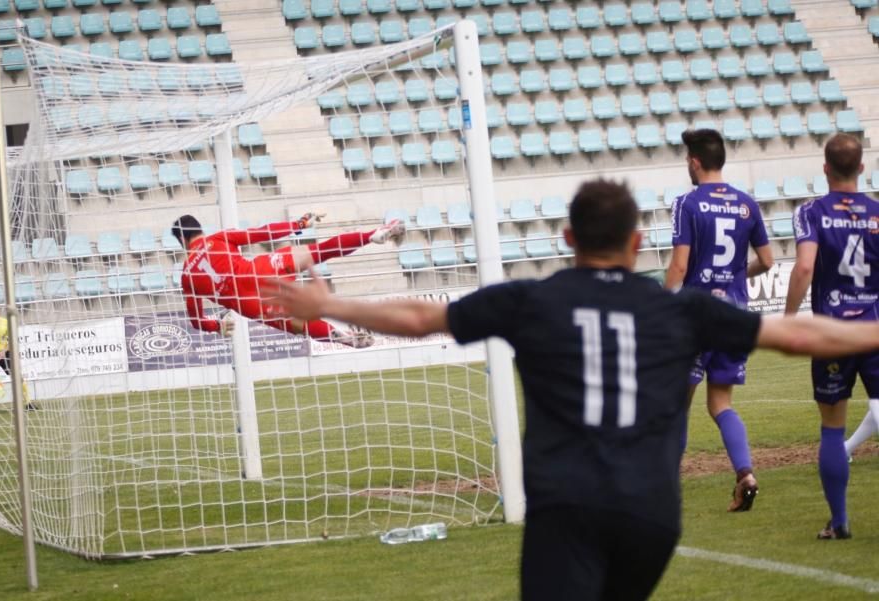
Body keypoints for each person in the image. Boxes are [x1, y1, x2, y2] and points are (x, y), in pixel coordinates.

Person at [267, 179, 879, 601]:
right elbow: (797, 336)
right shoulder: (683, 310)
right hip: (651, 517)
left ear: (567, 237)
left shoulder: (531, 300)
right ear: (637, 243)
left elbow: (422, 317)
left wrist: (331, 303)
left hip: (568, 509)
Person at [664, 129, 774, 512]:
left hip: (697, 317)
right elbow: (768, 260)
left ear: (694, 161)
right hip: (735, 317)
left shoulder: (688, 203)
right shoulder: (747, 204)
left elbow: (679, 265)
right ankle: (746, 474)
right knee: (721, 404)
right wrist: (733, 279)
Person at [785, 133, 879, 540]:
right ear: (861, 168)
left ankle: (840, 521)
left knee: (832, 429)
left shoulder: (811, 212)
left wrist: (789, 319)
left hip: (832, 334)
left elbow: (804, 268)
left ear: (825, 168)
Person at [172, 212, 404, 347]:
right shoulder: (219, 238)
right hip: (262, 270)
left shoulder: (187, 276)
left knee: (299, 324)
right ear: (198, 228)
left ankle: (343, 336)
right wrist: (299, 224)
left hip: (251, 302)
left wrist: (218, 326)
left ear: (182, 238)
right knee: (321, 250)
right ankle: (371, 235)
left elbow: (196, 320)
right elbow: (263, 233)